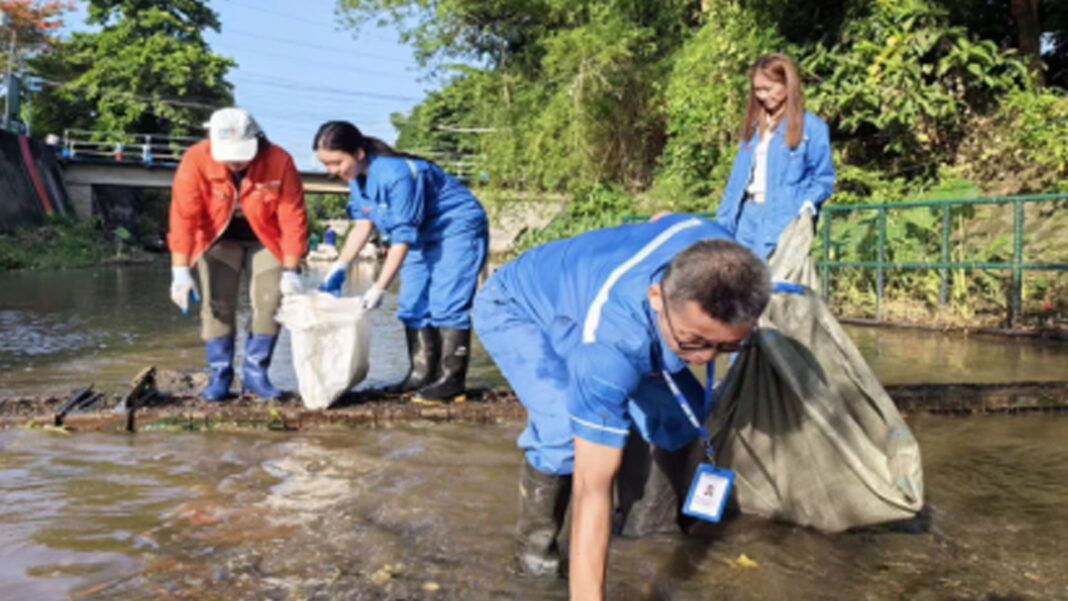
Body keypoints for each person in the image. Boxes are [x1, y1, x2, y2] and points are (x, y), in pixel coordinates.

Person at [472, 213, 771, 599]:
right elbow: (592, 487)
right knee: (563, 432)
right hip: (521, 310)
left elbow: (664, 218)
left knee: (684, 414)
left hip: (610, 301)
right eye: (695, 342)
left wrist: (699, 342)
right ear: (656, 299)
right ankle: (534, 559)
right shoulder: (611, 346)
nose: (705, 358)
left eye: (727, 346)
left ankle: (648, 530)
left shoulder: (727, 259)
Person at [312, 121, 488, 404]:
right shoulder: (357, 180)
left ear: (358, 153)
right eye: (326, 164)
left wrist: (379, 287)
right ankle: (420, 375)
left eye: (336, 162)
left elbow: (402, 239)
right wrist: (340, 267)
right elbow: (362, 226)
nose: (332, 171)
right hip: (420, 235)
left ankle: (451, 381)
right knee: (412, 303)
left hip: (456, 228)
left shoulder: (396, 174)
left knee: (447, 303)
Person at [167, 107, 308, 401]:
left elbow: (292, 216)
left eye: (242, 152)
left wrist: (292, 270)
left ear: (257, 138)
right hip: (216, 238)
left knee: (271, 302)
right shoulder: (195, 158)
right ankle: (220, 374)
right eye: (228, 154)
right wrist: (180, 271)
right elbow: (184, 215)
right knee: (216, 304)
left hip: (266, 239)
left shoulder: (279, 160)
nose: (235, 160)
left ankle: (256, 374)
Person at [716, 53, 835, 259]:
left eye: (767, 89)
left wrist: (807, 203)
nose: (762, 96)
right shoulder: (753, 129)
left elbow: (823, 179)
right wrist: (724, 223)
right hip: (745, 218)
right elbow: (735, 181)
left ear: (787, 85)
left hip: (783, 219)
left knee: (771, 284)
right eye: (757, 90)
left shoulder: (812, 128)